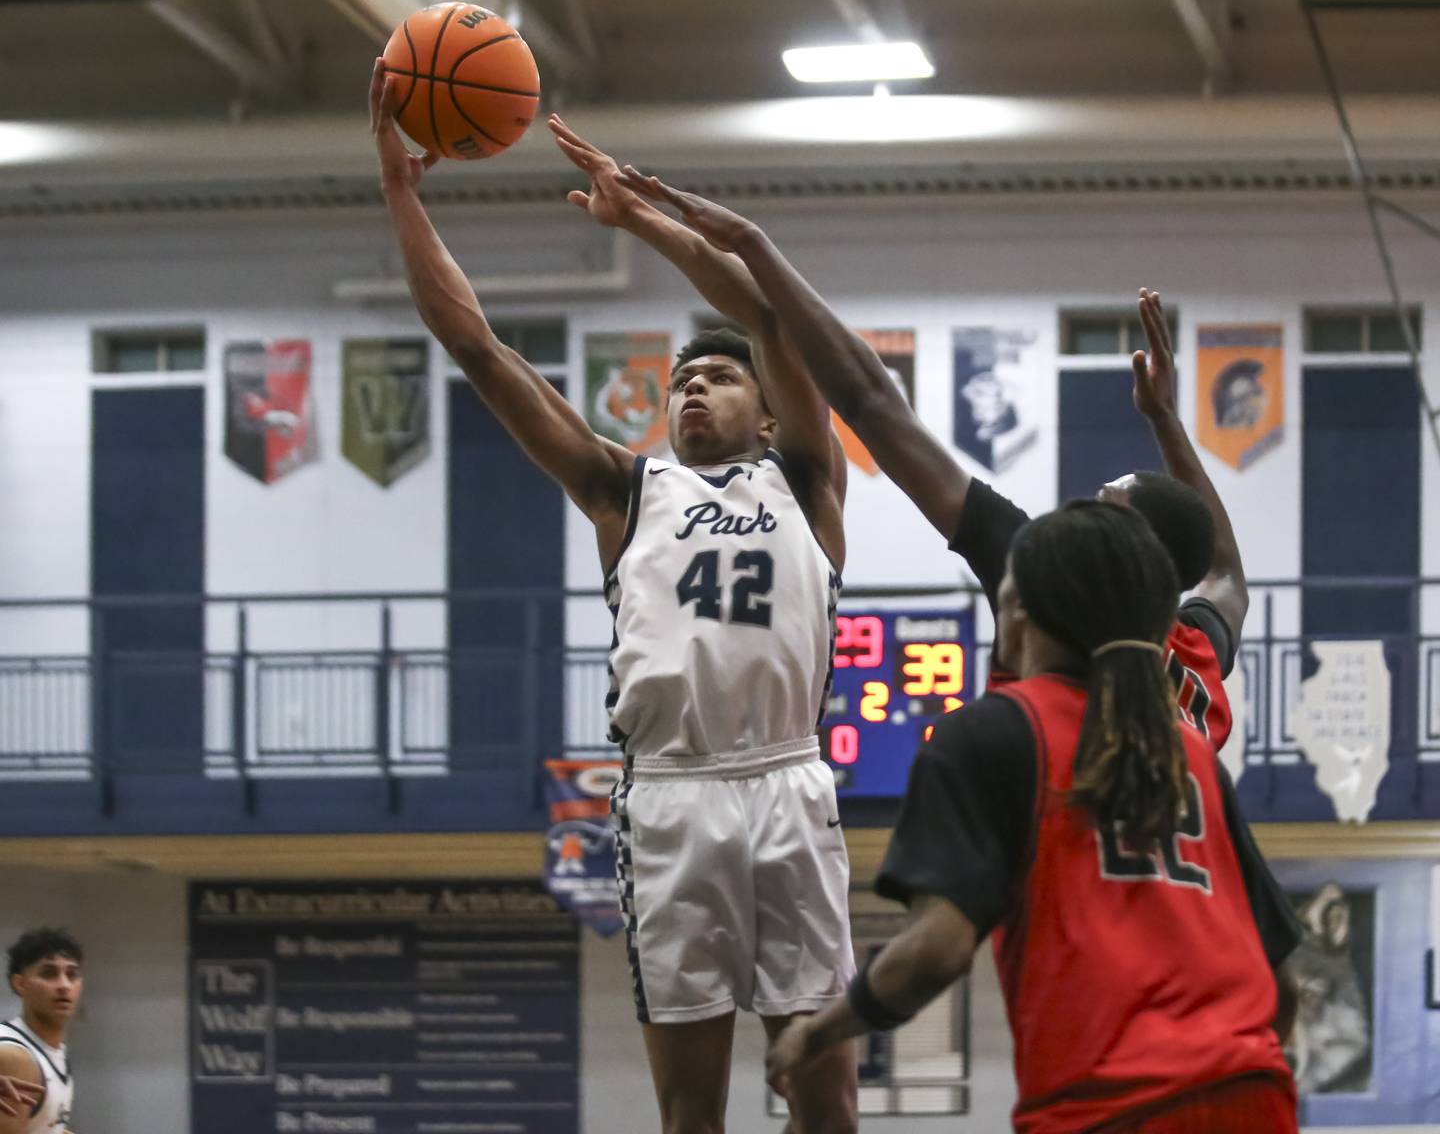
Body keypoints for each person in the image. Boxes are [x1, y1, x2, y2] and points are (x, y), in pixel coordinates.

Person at [370, 63, 857, 1134]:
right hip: (672, 797)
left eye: (719, 376)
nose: (693, 385)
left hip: (784, 781)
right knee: (692, 1114)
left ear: (769, 414)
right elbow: (476, 346)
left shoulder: (807, 479)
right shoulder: (622, 488)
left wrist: (642, 222)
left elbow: (772, 308)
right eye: (681, 377)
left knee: (826, 1097)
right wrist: (403, 195)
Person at [619, 170, 1244, 751]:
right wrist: (1164, 420)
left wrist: (756, 247)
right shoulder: (1196, 655)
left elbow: (872, 404)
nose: (1078, 512)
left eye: (1102, 507)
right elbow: (1223, 571)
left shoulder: (1046, 580)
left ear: (1130, 552)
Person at [766, 500, 1300, 1132]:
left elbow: (935, 952)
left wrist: (819, 1033)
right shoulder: (1187, 750)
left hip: (1107, 1105)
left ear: (1018, 612)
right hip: (1252, 1092)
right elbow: (1283, 985)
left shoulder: (992, 733)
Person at [0, 928, 81, 1134]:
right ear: (20, 984)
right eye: (49, 973)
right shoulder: (15, 1058)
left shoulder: (53, 1051)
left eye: (72, 975)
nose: (64, 985)